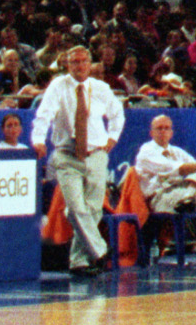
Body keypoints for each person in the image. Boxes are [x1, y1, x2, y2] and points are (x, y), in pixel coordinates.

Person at [34, 45, 127, 275]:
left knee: (93, 209)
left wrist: (112, 138)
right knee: (75, 207)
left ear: (89, 63)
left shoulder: (101, 88)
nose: (79, 65)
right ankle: (101, 250)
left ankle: (78, 262)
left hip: (96, 154)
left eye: (84, 61)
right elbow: (44, 114)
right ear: (67, 64)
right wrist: (38, 138)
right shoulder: (58, 86)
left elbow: (117, 114)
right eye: (74, 61)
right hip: (66, 155)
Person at [132, 113, 196, 267]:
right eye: (159, 128)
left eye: (166, 128)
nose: (163, 131)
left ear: (171, 132)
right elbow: (178, 170)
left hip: (182, 192)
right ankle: (189, 196)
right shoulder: (146, 151)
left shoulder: (176, 151)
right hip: (160, 197)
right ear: (151, 132)